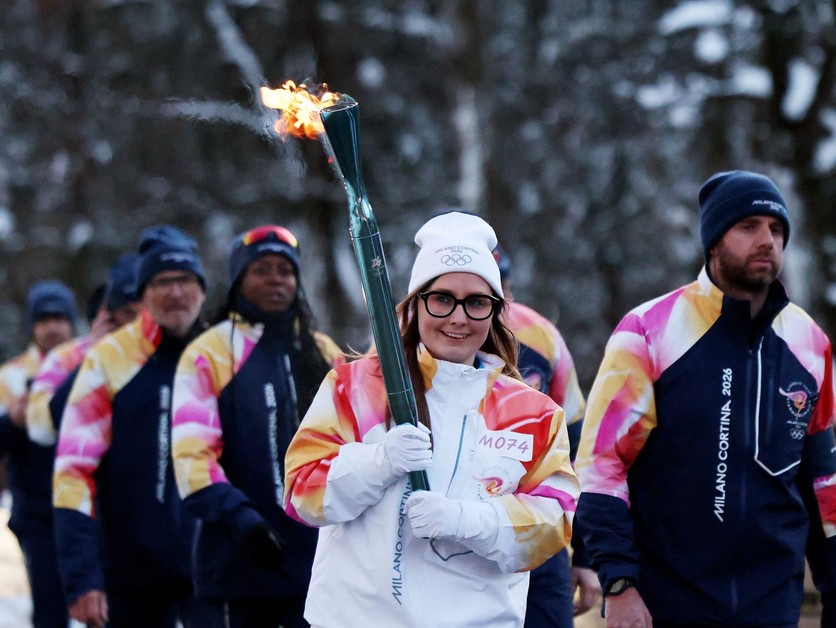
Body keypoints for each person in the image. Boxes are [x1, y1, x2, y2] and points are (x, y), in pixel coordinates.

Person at [284, 211, 580, 628]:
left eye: (476, 302)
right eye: (442, 298)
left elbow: (555, 521)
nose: (458, 317)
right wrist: (378, 462)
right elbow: (301, 493)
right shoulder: (356, 387)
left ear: (495, 311)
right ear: (417, 303)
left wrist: (468, 521)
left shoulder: (533, 413)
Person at [575, 170, 836, 627]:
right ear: (713, 241)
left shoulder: (809, 342)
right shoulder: (648, 330)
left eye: (776, 230)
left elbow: (823, 481)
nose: (766, 241)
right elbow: (600, 466)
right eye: (748, 227)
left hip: (772, 604)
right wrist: (619, 582)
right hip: (665, 601)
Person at [171, 224, 345, 628]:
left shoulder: (323, 351)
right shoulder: (209, 352)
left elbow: (355, 437)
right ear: (238, 280)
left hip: (318, 565)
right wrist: (241, 518)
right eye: (261, 270)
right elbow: (191, 458)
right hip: (240, 561)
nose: (275, 280)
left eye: (285, 270)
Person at [53, 226, 208, 628]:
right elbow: (73, 471)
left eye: (185, 280)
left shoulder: (223, 351)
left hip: (214, 567)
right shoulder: (110, 358)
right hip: (129, 573)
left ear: (203, 290)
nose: (176, 293)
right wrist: (81, 577)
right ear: (142, 295)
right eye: (162, 282)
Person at [492, 245, 601, 625]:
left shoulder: (541, 338)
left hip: (538, 541)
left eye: (496, 290)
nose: (486, 307)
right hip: (445, 538)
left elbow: (577, 450)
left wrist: (585, 556)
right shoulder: (400, 339)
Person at [0, 280, 77, 628]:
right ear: (33, 325)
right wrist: (13, 420)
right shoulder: (12, 377)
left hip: (92, 509)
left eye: (60, 318)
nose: (53, 328)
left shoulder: (94, 366)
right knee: (50, 607)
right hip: (38, 513)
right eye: (44, 319)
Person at [27, 254, 141, 446]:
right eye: (129, 313)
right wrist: (92, 357)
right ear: (107, 314)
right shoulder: (64, 358)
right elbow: (40, 430)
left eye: (145, 313)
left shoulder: (179, 351)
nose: (139, 323)